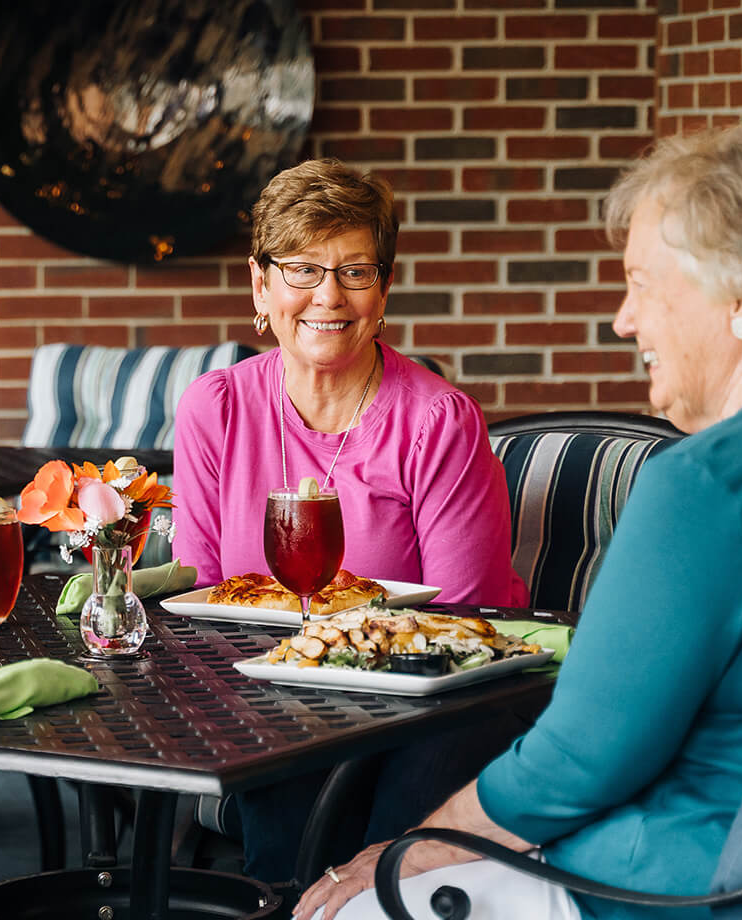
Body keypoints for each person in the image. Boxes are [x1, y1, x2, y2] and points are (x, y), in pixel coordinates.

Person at [294, 124, 742, 920]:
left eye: (643, 284)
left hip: (661, 888)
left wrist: (398, 855)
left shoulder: (712, 482)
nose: (624, 320)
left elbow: (574, 762)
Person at [172, 157, 530, 883]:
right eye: (302, 269)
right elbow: (200, 598)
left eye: (355, 271)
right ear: (260, 283)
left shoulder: (436, 420)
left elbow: (466, 619)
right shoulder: (216, 407)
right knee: (285, 791)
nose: (327, 296)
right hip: (269, 700)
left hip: (422, 708)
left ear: (385, 286)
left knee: (369, 848)